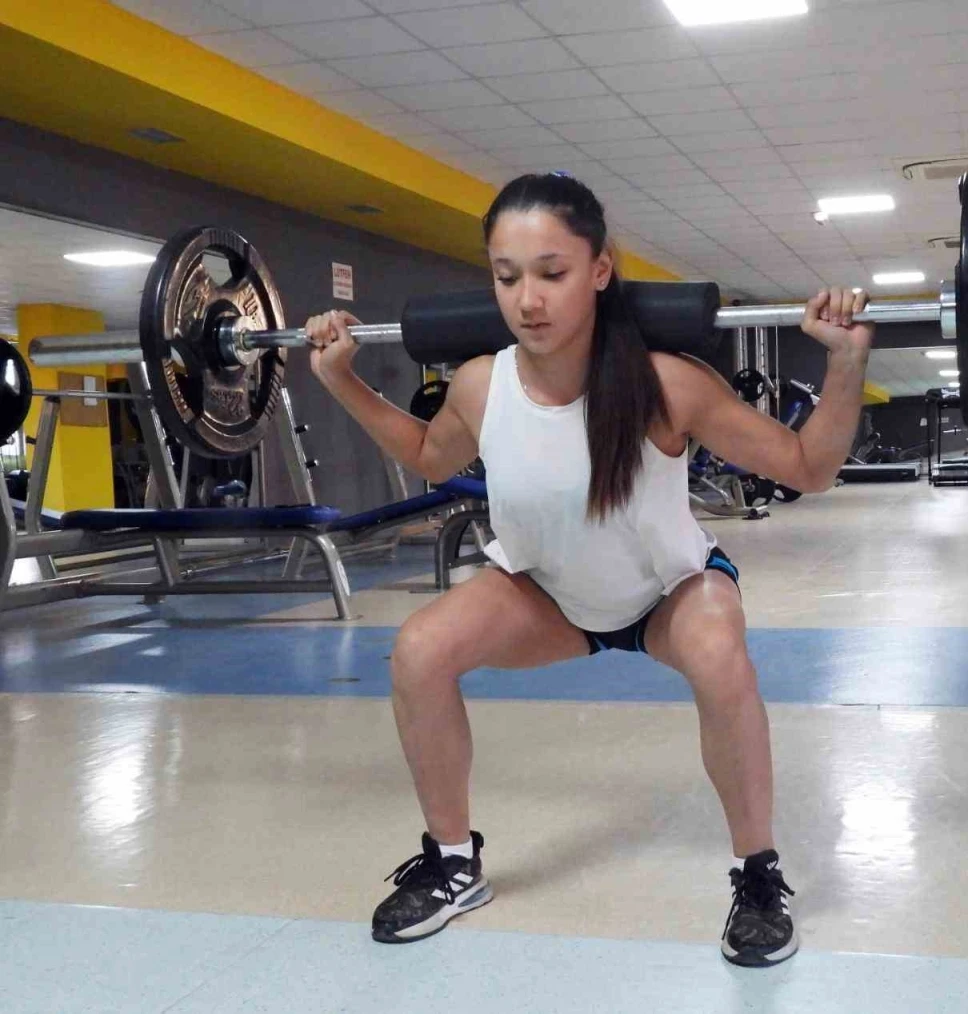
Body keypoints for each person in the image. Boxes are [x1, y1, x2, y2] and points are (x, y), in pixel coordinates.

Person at [305, 172, 873, 968]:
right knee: (419, 651)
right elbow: (431, 456)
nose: (527, 300)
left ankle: (758, 876)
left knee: (720, 655)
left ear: (600, 270)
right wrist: (341, 379)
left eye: (552, 273)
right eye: (507, 277)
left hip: (669, 595)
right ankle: (453, 862)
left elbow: (809, 467)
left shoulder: (667, 384)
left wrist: (844, 363)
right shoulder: (481, 384)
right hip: (547, 599)